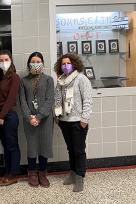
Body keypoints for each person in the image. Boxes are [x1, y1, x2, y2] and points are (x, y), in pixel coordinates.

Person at [54, 53, 92, 192]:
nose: (65, 66)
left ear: (74, 64)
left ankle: (80, 178)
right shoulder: (61, 81)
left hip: (78, 122)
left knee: (78, 150)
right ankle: (73, 173)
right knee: (70, 149)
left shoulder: (81, 79)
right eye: (63, 64)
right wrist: (57, 117)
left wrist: (84, 120)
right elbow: (57, 99)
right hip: (64, 121)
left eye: (68, 63)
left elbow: (87, 100)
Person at [19, 51, 54, 188]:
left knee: (44, 146)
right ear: (29, 64)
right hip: (29, 121)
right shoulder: (23, 81)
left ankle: (43, 173)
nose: (36, 64)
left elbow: (50, 99)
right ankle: (32, 173)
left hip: (45, 119)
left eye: (38, 62)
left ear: (43, 64)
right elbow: (22, 101)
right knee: (32, 146)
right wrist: (29, 117)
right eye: (33, 61)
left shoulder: (49, 80)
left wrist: (39, 116)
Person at [0, 50, 21, 186]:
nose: (3, 63)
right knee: (5, 145)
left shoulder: (14, 77)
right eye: (1, 60)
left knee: (12, 145)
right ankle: (7, 172)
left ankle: (13, 174)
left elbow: (11, 99)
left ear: (11, 60)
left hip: (9, 116)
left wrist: (2, 116)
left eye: (6, 60)